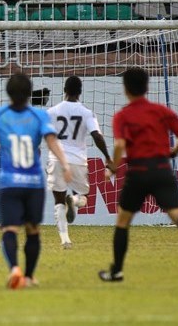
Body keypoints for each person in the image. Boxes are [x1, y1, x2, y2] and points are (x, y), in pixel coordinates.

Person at [99, 67, 178, 282]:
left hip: (138, 172)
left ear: (126, 89)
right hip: (162, 170)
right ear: (146, 87)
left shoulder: (123, 115)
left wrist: (113, 166)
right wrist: (173, 152)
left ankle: (116, 271)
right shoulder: (161, 111)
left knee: (123, 221)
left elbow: (121, 144)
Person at [0, 73, 72, 289]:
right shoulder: (39, 116)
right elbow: (52, 141)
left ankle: (15, 269)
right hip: (33, 183)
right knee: (33, 230)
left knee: (10, 230)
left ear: (9, 93)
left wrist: (0, 146)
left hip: (9, 183)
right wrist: (65, 164)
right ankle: (30, 277)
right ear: (29, 93)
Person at [47, 76, 112, 249]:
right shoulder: (86, 112)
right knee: (84, 198)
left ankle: (65, 240)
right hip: (77, 160)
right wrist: (107, 156)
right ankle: (74, 201)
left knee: (58, 201)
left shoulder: (52, 111)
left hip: (56, 159)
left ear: (65, 90)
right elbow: (96, 136)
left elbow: (43, 134)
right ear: (80, 92)